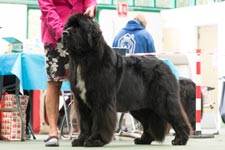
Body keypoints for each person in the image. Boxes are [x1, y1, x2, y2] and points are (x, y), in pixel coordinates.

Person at [38, 0, 97, 147]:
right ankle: (53, 131)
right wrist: (62, 32)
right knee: (53, 82)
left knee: (79, 85)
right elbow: (46, 6)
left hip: (80, 37)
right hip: (55, 36)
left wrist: (91, 5)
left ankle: (82, 131)